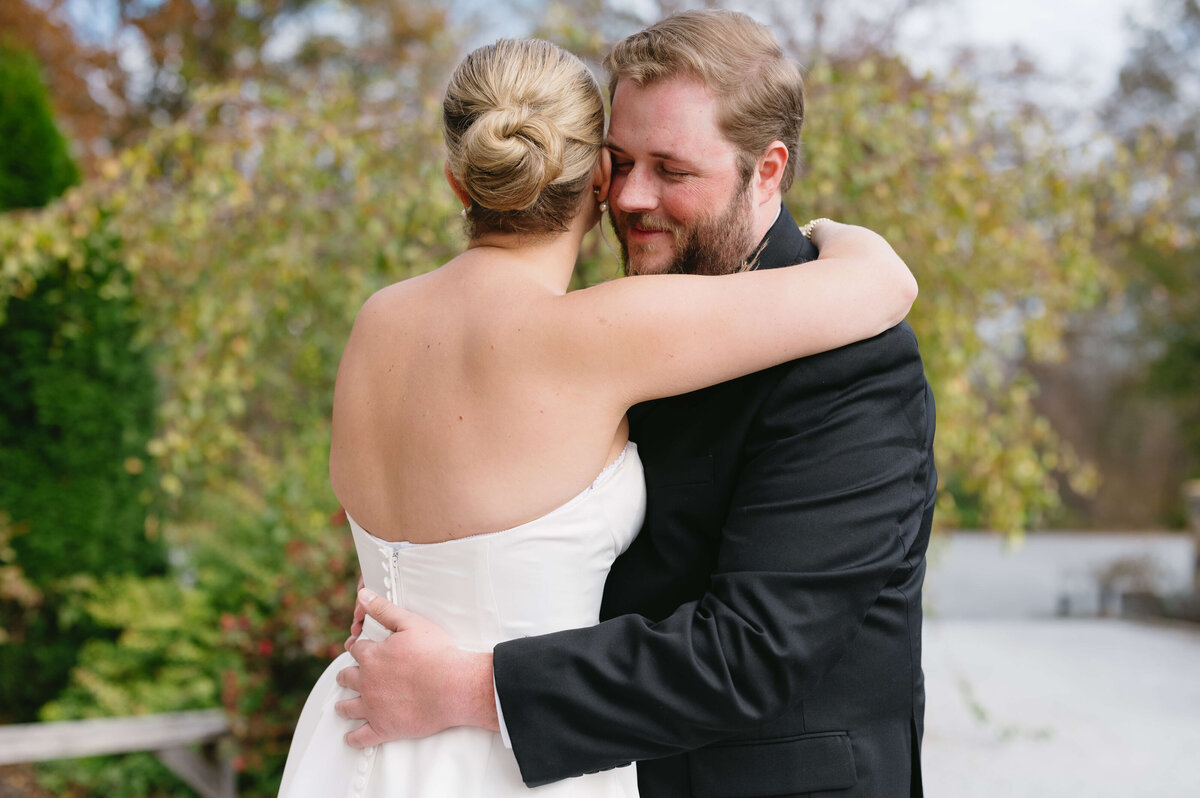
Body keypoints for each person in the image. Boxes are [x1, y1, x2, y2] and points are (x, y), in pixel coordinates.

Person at [282, 26, 919, 798]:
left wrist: (460, 679)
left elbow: (754, 650)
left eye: (671, 169)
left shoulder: (852, 360)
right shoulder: (601, 330)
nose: (631, 196)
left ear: (769, 168)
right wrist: (863, 249)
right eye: (620, 164)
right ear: (588, 175)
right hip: (501, 752)